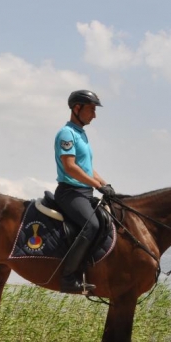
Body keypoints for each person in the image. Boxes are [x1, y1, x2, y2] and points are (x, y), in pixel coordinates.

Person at [54, 89, 118, 293]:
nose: (94, 115)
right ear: (77, 108)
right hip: (70, 192)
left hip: (85, 193)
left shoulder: (81, 134)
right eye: (91, 109)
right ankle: (68, 278)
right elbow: (70, 167)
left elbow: (87, 167)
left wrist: (105, 184)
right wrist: (97, 185)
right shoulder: (67, 133)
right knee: (90, 225)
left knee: (107, 222)